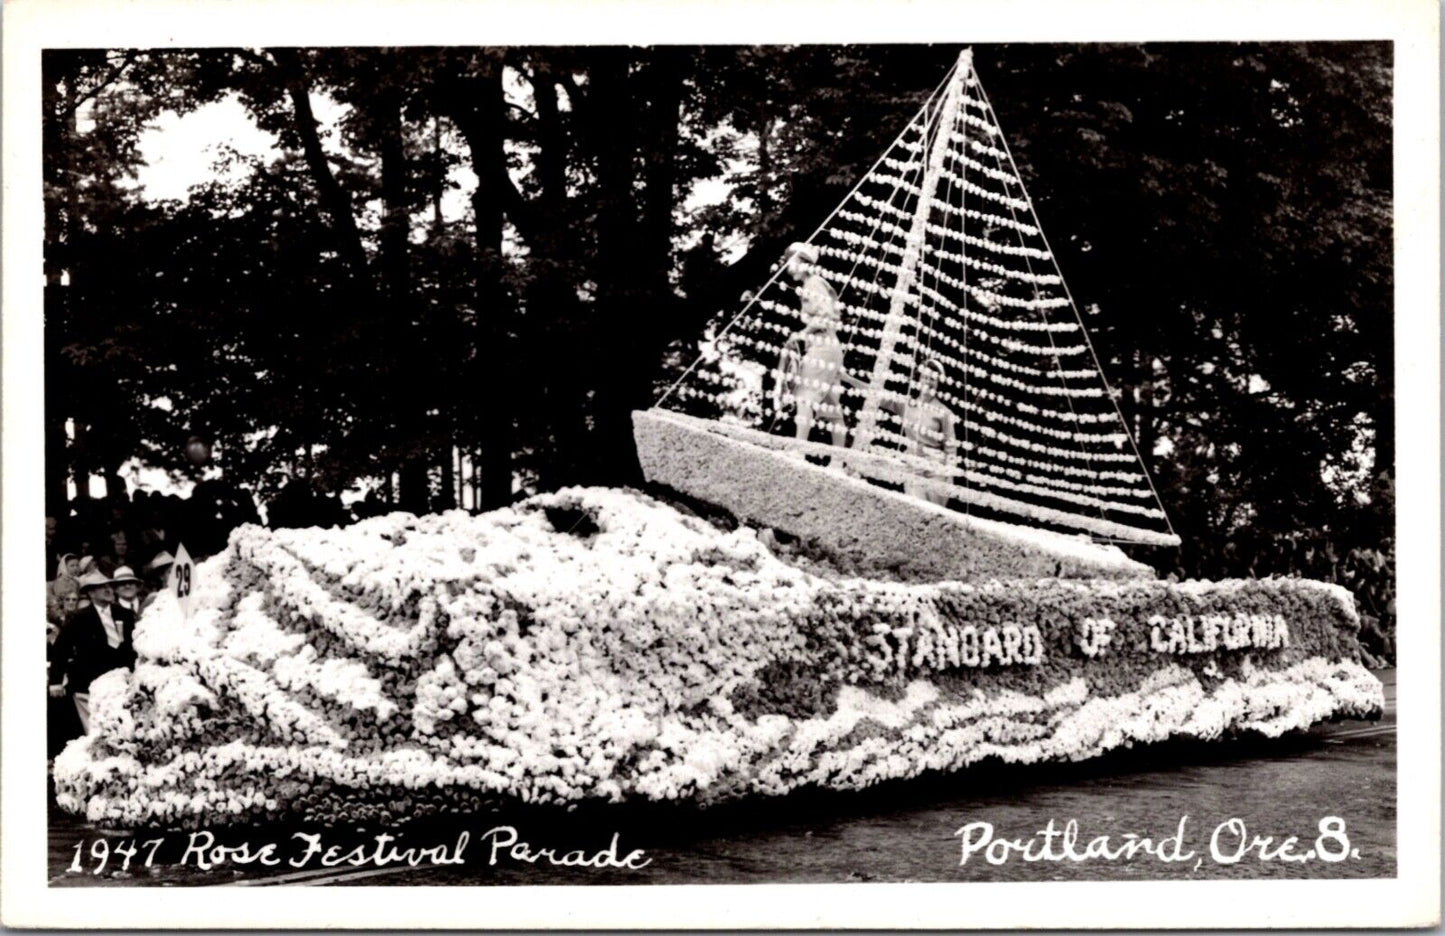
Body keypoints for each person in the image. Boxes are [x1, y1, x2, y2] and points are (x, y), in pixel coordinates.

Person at [775, 243, 849, 449]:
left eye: (792, 262)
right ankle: (838, 460)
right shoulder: (814, 284)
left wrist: (802, 334)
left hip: (823, 347)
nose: (788, 268)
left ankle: (799, 450)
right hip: (829, 347)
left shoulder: (813, 284)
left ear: (803, 263)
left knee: (805, 396)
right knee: (831, 405)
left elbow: (825, 317)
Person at [49, 570, 137, 734]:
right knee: (97, 731)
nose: (108, 590)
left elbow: (133, 646)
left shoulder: (124, 614)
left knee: (123, 728)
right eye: (100, 587)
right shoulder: (78, 617)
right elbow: (61, 649)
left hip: (122, 682)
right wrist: (55, 680)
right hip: (89, 684)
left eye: (108, 586)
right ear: (90, 593)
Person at [879, 357, 958, 506]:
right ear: (918, 379)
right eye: (925, 377)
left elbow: (951, 448)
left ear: (938, 383)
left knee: (935, 512)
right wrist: (848, 379)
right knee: (916, 506)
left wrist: (949, 474)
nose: (928, 382)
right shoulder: (906, 404)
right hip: (913, 465)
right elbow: (879, 396)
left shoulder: (944, 412)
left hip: (936, 468)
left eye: (933, 379)